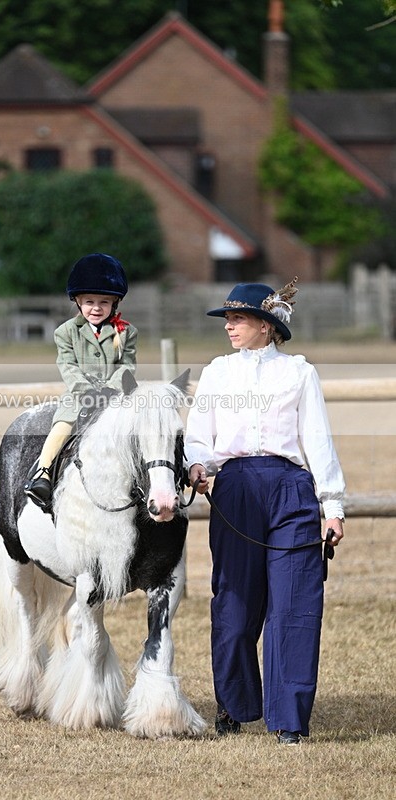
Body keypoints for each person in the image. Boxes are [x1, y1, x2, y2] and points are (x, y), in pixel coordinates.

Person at [184, 279, 345, 745]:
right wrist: (197, 462)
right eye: (228, 319)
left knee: (294, 606)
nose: (229, 326)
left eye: (238, 318)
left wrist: (331, 506)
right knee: (234, 609)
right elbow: (199, 433)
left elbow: (317, 440)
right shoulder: (217, 372)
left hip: (292, 491)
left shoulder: (299, 373)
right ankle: (234, 704)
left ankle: (289, 720)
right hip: (234, 488)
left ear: (265, 325)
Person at [24, 252, 137, 508]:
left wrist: (111, 389)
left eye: (104, 302)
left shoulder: (127, 332)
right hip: (79, 398)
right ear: (77, 301)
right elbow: (68, 366)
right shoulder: (64, 332)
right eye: (89, 301)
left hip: (115, 398)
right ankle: (43, 474)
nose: (96, 308)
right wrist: (87, 391)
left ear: (115, 303)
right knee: (61, 427)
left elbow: (127, 365)